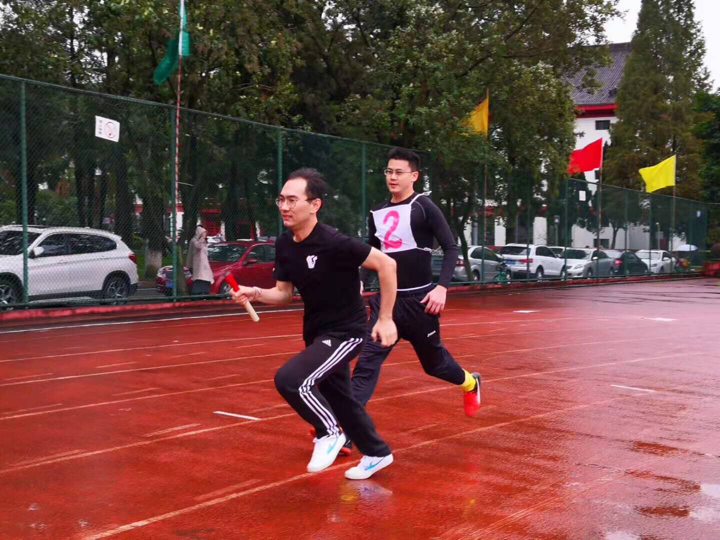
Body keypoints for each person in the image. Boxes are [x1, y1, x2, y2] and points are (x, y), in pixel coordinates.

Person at [230, 168, 397, 480]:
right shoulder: (285, 243)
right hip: (317, 332)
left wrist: (385, 318)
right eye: (281, 199)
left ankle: (328, 433)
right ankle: (377, 452)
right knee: (341, 399)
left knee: (290, 380)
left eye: (292, 200)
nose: (284, 207)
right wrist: (255, 292)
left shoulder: (335, 242)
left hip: (347, 332)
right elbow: (283, 294)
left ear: (314, 205)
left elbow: (387, 265)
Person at [346, 147, 482, 452]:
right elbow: (372, 252)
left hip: (421, 303)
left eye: (399, 172)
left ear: (414, 176)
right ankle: (347, 430)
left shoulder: (424, 207)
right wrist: (360, 280)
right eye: (388, 171)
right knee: (366, 365)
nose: (392, 177)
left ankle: (471, 383)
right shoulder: (377, 212)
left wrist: (441, 287)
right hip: (386, 305)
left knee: (435, 366)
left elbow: (450, 248)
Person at [187, 226, 213, 295]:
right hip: (198, 264)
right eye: (203, 233)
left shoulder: (203, 241)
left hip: (204, 264)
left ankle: (204, 292)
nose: (205, 235)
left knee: (206, 278)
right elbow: (198, 246)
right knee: (199, 278)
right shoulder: (194, 240)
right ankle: (196, 293)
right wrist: (202, 238)